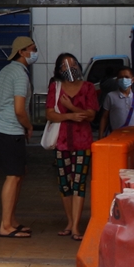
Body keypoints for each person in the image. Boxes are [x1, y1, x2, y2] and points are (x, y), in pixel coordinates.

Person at [45, 53, 98, 241]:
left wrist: (72, 108)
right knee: (64, 183)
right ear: (58, 69)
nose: (70, 68)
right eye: (65, 65)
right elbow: (50, 114)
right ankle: (70, 222)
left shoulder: (88, 87)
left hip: (83, 142)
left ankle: (75, 226)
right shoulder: (56, 87)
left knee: (79, 183)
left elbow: (91, 115)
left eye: (73, 64)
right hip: (62, 142)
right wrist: (70, 116)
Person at [0, 36, 38, 238]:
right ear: (22, 51)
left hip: (2, 126)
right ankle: (6, 225)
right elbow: (19, 109)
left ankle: (11, 220)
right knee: (13, 176)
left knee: (19, 173)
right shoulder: (20, 74)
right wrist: (29, 126)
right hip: (10, 128)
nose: (35, 53)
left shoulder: (6, 70)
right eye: (32, 49)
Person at [98, 67, 134, 133]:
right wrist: (100, 135)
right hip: (115, 134)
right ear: (117, 80)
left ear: (133, 80)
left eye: (127, 77)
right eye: (121, 77)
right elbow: (104, 117)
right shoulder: (110, 96)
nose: (124, 79)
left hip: (131, 135)